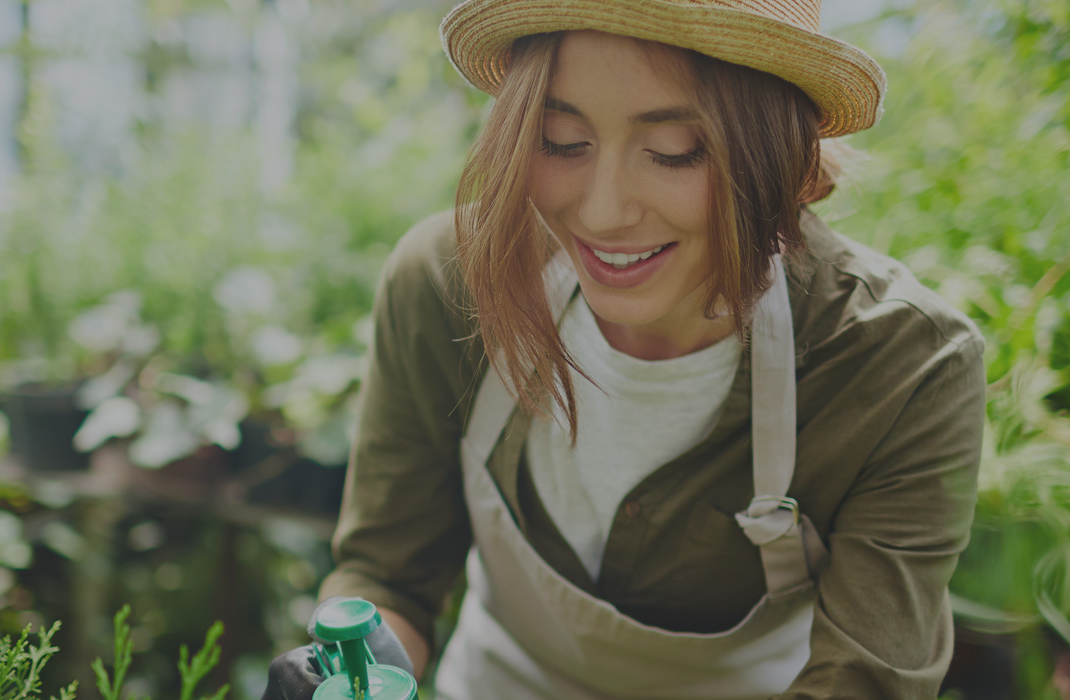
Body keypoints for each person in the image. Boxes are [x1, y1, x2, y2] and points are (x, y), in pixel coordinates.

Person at [264, 0, 986, 698]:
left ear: (781, 155)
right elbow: (388, 577)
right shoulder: (449, 285)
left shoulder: (903, 368)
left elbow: (862, 681)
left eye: (675, 152)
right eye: (561, 142)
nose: (604, 211)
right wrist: (350, 677)